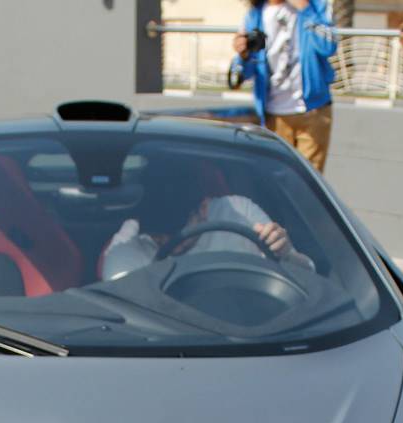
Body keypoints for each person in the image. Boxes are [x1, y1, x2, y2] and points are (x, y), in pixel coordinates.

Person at [229, 0, 337, 173]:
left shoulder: (315, 6)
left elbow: (328, 46)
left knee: (309, 180)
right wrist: (243, 55)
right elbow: (244, 73)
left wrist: (305, 9)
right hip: (274, 115)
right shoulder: (255, 15)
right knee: (276, 180)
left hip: (313, 112)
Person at [99, 194, 313, 281]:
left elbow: (308, 276)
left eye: (178, 234)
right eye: (159, 238)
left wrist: (286, 254)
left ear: (203, 208)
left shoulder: (239, 212)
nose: (173, 246)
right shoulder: (125, 251)